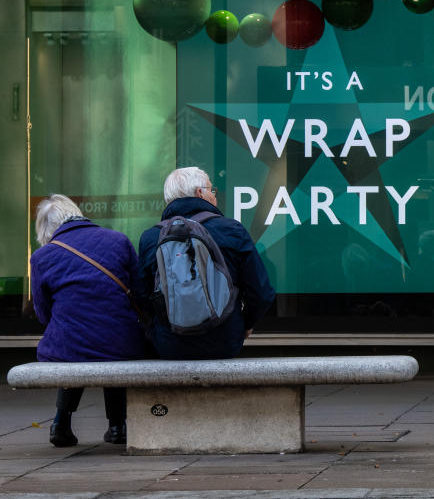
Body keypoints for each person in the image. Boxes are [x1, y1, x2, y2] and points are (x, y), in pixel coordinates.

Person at [29, 194, 145, 447]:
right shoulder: (118, 240)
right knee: (109, 343)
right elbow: (140, 293)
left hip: (70, 346)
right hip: (121, 342)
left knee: (74, 342)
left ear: (46, 229)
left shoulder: (42, 257)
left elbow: (43, 314)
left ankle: (61, 422)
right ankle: (117, 426)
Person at [133, 167, 276, 359]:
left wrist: (159, 329)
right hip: (224, 343)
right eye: (212, 190)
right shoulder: (231, 230)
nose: (214, 196)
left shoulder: (151, 237)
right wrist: (244, 324)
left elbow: (142, 295)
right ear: (201, 193)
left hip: (170, 345)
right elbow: (261, 293)